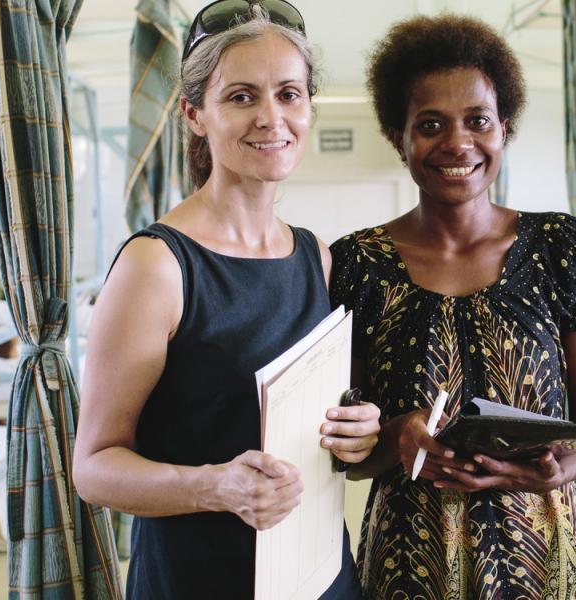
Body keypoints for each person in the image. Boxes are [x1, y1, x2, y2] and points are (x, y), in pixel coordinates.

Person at [70, 2, 379, 598]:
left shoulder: (316, 256)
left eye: (290, 94)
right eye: (241, 96)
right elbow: (94, 468)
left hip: (317, 570)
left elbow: (308, 424)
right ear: (194, 114)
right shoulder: (157, 265)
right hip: (198, 577)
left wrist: (357, 431)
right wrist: (215, 486)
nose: (272, 117)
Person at [331, 15, 576, 597]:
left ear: (503, 128)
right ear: (398, 137)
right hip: (411, 562)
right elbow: (348, 453)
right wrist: (397, 437)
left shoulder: (561, 247)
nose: (457, 142)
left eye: (477, 121)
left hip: (543, 555)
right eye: (430, 124)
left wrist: (556, 468)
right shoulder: (358, 263)